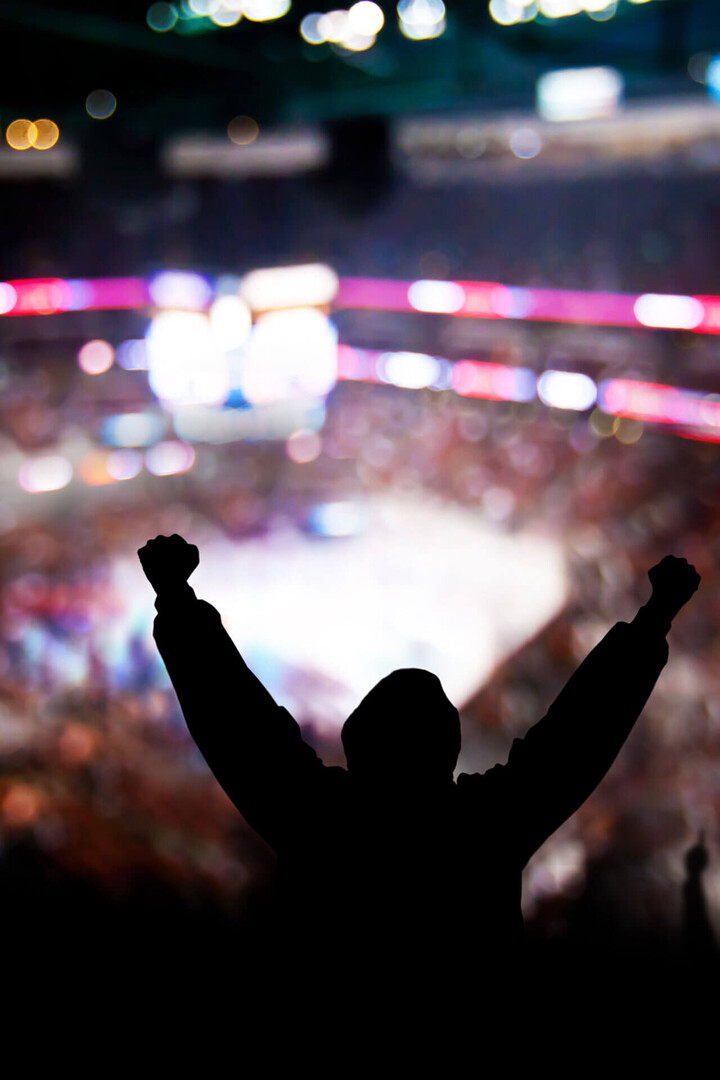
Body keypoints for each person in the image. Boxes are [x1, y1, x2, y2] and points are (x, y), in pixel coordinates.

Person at [137, 535, 700, 1008]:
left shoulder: (316, 819)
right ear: (447, 748)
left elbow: (239, 728)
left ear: (358, 743)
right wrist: (652, 623)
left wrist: (178, 602)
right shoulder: (486, 829)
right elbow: (574, 741)